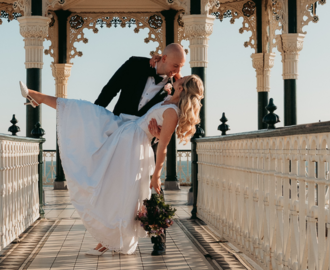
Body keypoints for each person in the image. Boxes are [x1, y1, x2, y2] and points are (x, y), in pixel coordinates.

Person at [19, 73, 204, 256]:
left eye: (181, 78)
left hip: (132, 145)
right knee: (86, 112)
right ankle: (37, 97)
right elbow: (159, 128)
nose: (177, 76)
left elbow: (163, 146)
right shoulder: (170, 100)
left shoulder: (172, 111)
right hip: (127, 134)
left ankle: (110, 239)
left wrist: (156, 175)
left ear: (181, 88)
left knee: (119, 192)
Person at [94, 43, 186, 255]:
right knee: (113, 183)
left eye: (180, 66)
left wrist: (158, 133)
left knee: (153, 186)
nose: (176, 70)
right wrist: (96, 119)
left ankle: (159, 238)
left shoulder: (175, 86)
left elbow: (174, 116)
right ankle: (112, 233)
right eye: (174, 65)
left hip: (147, 138)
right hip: (119, 132)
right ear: (161, 58)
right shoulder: (136, 64)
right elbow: (109, 90)